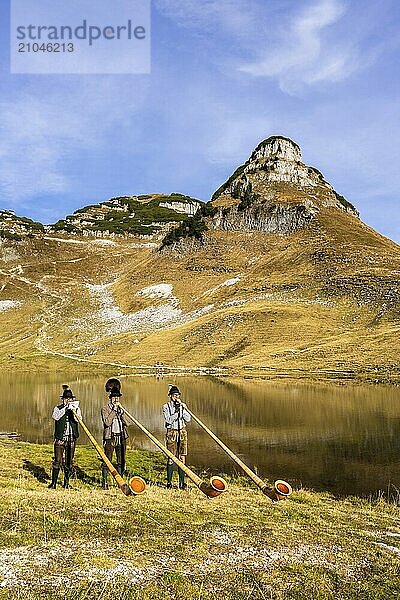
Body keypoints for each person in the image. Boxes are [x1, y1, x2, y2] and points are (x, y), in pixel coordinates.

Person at [48, 386, 81, 490]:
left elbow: (78, 420)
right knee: (57, 460)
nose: (68, 400)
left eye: (70, 399)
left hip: (71, 438)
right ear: (63, 399)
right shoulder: (58, 408)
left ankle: (66, 483)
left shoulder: (77, 409)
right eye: (66, 399)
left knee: (69, 461)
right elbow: (55, 417)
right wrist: (65, 409)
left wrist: (73, 411)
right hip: (60, 438)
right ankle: (53, 483)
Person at [162, 385, 191, 489]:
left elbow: (188, 419)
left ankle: (181, 483)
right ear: (170, 396)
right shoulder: (165, 407)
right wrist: (177, 413)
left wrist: (183, 409)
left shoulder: (182, 406)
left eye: (178, 396)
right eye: (174, 396)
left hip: (182, 432)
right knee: (171, 457)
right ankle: (169, 483)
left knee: (182, 456)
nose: (176, 398)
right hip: (172, 432)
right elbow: (168, 420)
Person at [101, 386, 129, 489]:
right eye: (114, 397)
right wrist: (113, 410)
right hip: (110, 437)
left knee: (121, 460)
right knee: (107, 460)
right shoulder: (105, 408)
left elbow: (128, 423)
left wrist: (121, 413)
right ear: (110, 398)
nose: (116, 399)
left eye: (118, 397)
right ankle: (104, 482)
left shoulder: (121, 409)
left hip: (121, 437)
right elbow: (107, 422)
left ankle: (120, 482)